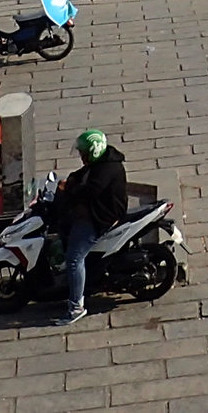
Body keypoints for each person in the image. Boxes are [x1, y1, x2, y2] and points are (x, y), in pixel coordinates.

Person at [51, 127, 129, 324]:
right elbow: (83, 174)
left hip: (100, 216)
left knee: (74, 259)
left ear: (92, 152)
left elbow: (89, 191)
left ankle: (76, 307)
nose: (81, 157)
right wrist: (70, 180)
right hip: (93, 208)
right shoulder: (101, 162)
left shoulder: (107, 169)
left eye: (83, 153)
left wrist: (68, 188)